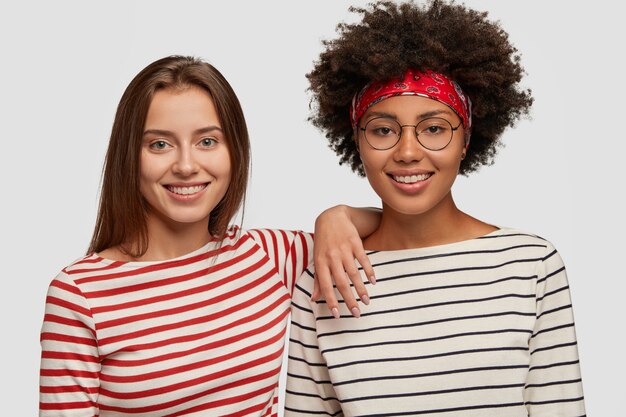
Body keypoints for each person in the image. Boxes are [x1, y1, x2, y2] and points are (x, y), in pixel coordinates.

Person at [285, 1, 585, 416]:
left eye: (434, 129)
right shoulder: (324, 280)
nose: (408, 152)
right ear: (356, 140)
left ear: (466, 139)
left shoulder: (529, 266)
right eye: (384, 130)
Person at [38, 55, 379, 416]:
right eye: (159, 145)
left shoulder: (271, 256)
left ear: (234, 150)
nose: (186, 166)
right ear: (129, 157)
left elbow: (394, 225)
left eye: (207, 141)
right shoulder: (79, 295)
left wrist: (335, 216)